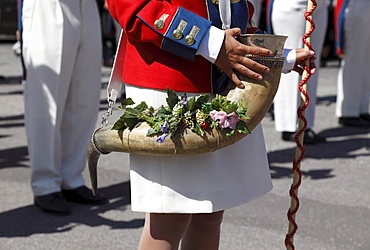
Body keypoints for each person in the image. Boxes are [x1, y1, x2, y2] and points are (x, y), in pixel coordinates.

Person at [106, 0, 316, 249]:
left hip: (225, 80)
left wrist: (269, 54)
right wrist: (211, 42)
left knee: (210, 212)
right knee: (170, 217)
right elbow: (132, 6)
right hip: (171, 77)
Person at [21, 0, 108, 216]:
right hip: (48, 6)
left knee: (84, 97)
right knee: (46, 101)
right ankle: (45, 184)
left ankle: (71, 177)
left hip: (87, 5)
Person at [268, 0, 329, 144]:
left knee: (311, 62)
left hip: (319, 4)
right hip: (294, 5)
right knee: (291, 63)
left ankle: (304, 124)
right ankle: (290, 125)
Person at [334, 0, 370, 127]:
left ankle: (361, 108)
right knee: (354, 60)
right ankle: (348, 111)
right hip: (355, 6)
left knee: (366, 62)